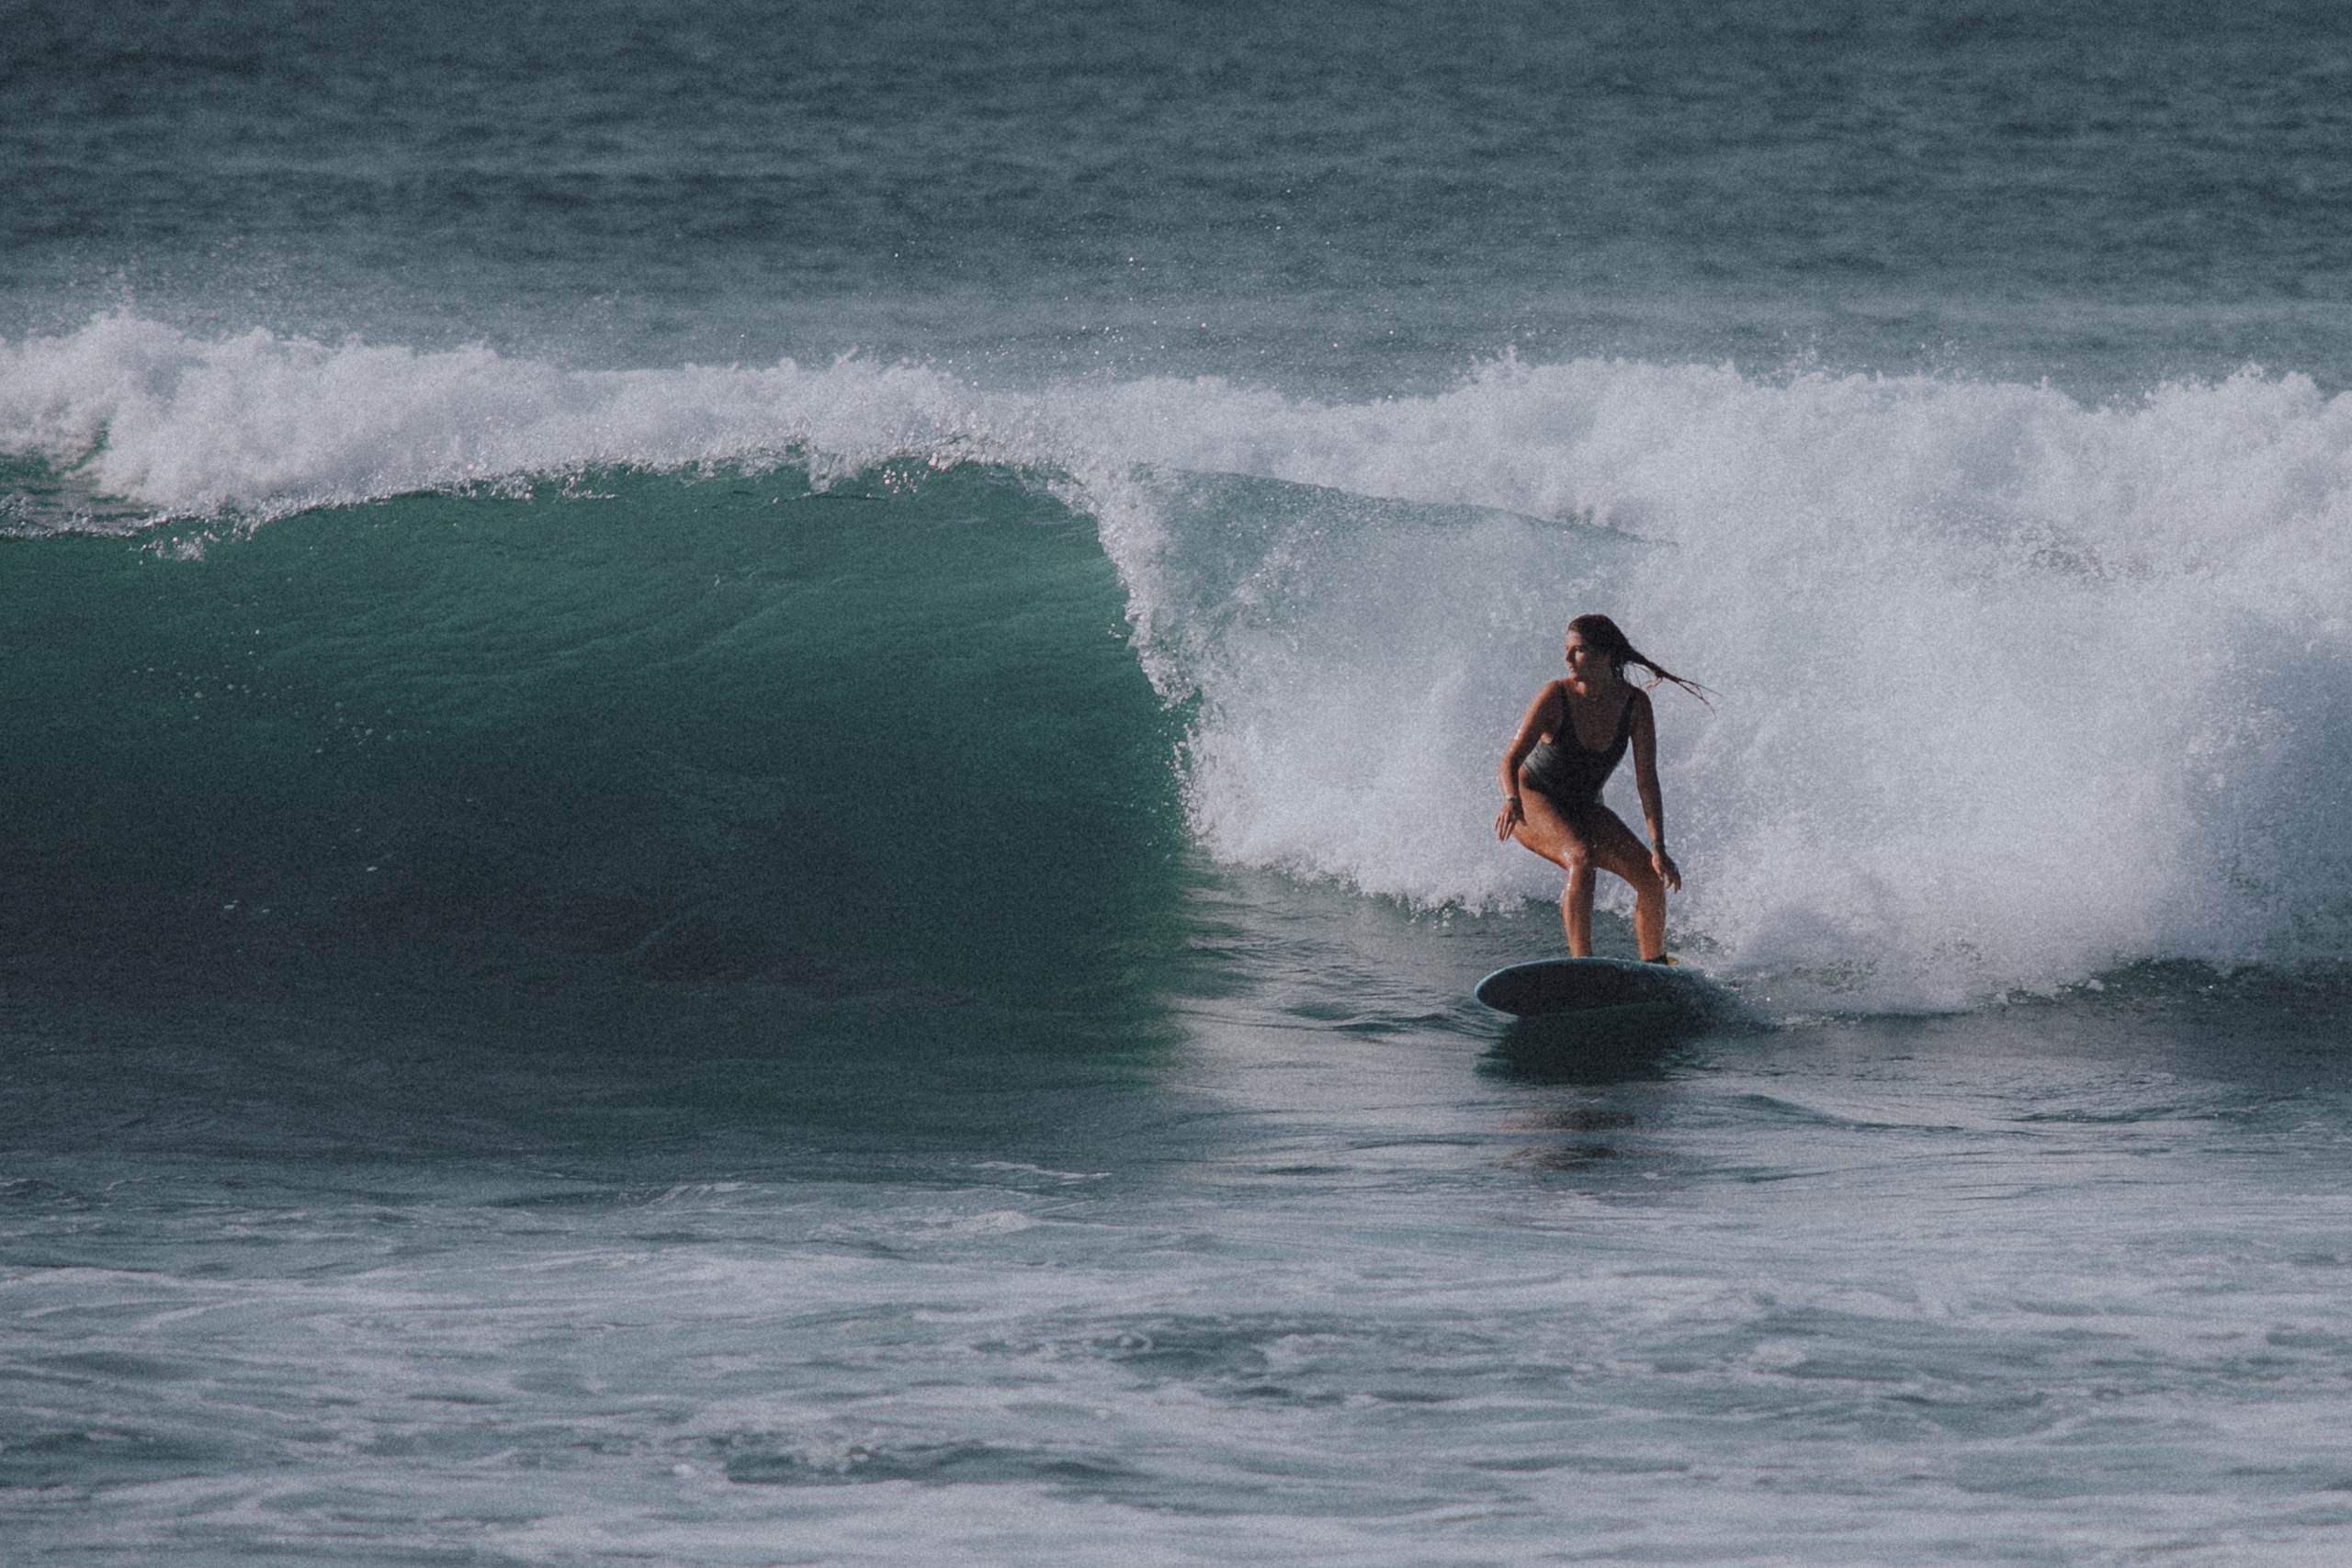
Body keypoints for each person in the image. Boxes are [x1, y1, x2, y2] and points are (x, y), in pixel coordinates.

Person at [1494, 615, 1707, 961]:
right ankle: (1584, 965)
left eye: (1578, 651)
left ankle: (1654, 967)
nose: (1567, 660)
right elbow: (1509, 759)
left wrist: (1659, 847)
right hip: (1531, 799)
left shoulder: (1635, 705)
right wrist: (1510, 798)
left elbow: (1647, 781)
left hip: (1584, 806)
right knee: (1580, 857)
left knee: (1651, 878)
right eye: (1567, 651)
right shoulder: (1555, 696)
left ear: (1606, 655)